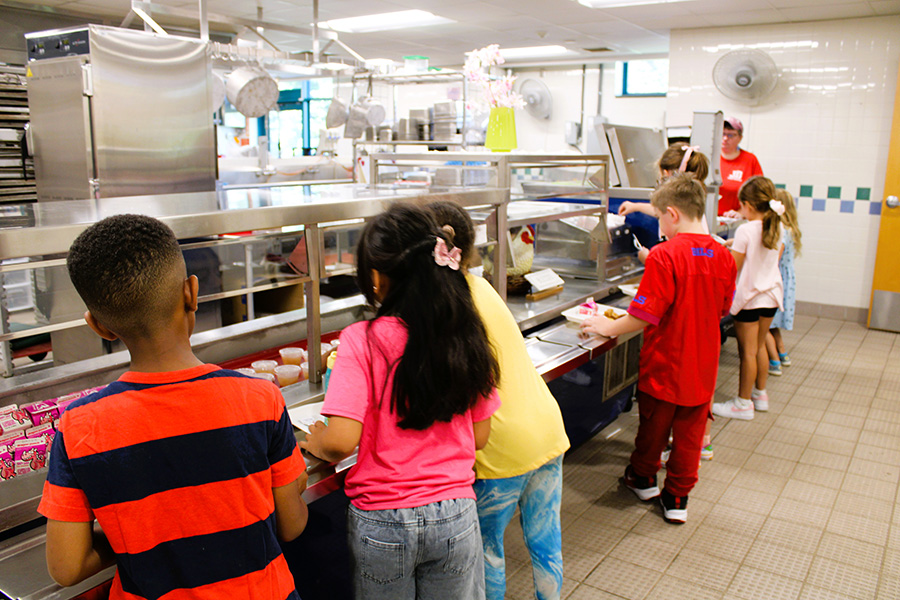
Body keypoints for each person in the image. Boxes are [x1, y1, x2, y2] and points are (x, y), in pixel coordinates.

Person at [39, 215, 309, 599]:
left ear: (98, 325)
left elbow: (66, 567)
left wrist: (134, 532)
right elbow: (291, 525)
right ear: (191, 293)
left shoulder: (78, 426)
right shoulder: (260, 398)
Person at [300, 203, 501, 600]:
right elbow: (480, 436)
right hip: (455, 511)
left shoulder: (362, 339)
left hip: (383, 520)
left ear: (376, 278)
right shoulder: (465, 332)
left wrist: (318, 441)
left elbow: (340, 442)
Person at [425, 201, 570, 600]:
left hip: (500, 446)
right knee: (546, 542)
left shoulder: (442, 307)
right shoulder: (483, 287)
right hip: (546, 428)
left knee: (488, 552)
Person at [582, 173, 736, 524]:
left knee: (653, 429)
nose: (660, 226)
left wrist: (607, 326)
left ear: (673, 214)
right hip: (703, 366)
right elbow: (724, 308)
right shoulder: (723, 256)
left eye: (660, 218)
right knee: (690, 436)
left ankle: (643, 478)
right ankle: (677, 497)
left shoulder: (664, 256)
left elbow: (643, 315)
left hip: (665, 364)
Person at [713, 176, 785, 421]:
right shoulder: (777, 225)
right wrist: (738, 244)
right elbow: (764, 251)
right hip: (771, 296)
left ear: (750, 205)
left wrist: (723, 252)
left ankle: (743, 404)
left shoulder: (745, 230)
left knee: (748, 353)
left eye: (741, 205)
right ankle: (760, 395)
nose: (740, 209)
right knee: (760, 344)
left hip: (750, 299)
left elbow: (732, 268)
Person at [618, 143, 710, 263]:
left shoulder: (677, 240)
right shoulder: (690, 205)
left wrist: (649, 259)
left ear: (667, 173)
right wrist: (636, 206)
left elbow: (673, 267)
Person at [766, 189, 801, 375]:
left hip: (775, 280)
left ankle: (773, 361)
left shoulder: (781, 231)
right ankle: (782, 353)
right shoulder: (791, 229)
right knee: (773, 323)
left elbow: (774, 259)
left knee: (763, 326)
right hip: (786, 280)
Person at [719, 117, 764, 216]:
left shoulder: (750, 160)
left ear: (740, 138)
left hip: (736, 219)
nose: (725, 138)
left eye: (730, 135)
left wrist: (741, 213)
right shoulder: (711, 157)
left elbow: (758, 193)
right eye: (722, 134)